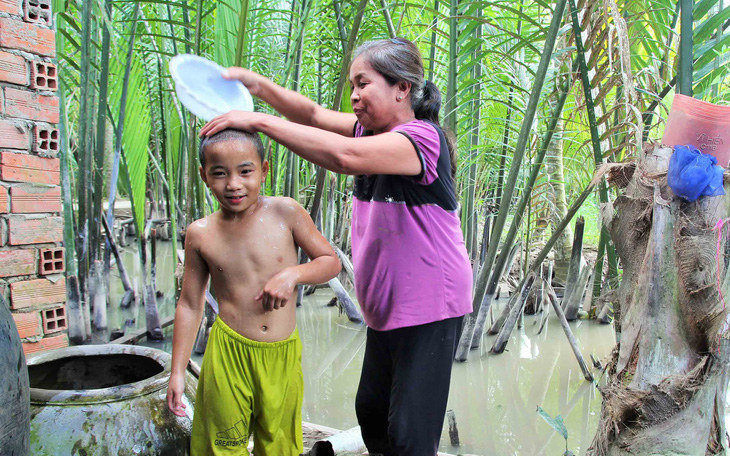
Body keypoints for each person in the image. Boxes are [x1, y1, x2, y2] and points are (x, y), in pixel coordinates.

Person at [200, 37, 473, 456]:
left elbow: (344, 156)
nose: (355, 96)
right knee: (371, 412)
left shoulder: (421, 139)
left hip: (431, 306)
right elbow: (311, 114)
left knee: (409, 434)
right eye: (352, 86)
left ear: (402, 88)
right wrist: (259, 87)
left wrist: (258, 123)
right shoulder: (369, 130)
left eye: (364, 83)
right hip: (388, 308)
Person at [166, 129, 341, 456]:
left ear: (264, 170)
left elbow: (330, 261)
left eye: (245, 171)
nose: (233, 184)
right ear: (204, 176)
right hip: (228, 352)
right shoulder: (201, 233)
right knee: (224, 444)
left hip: (281, 353)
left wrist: (293, 274)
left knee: (279, 445)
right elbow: (190, 305)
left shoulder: (285, 212)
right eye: (220, 173)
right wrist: (177, 372)